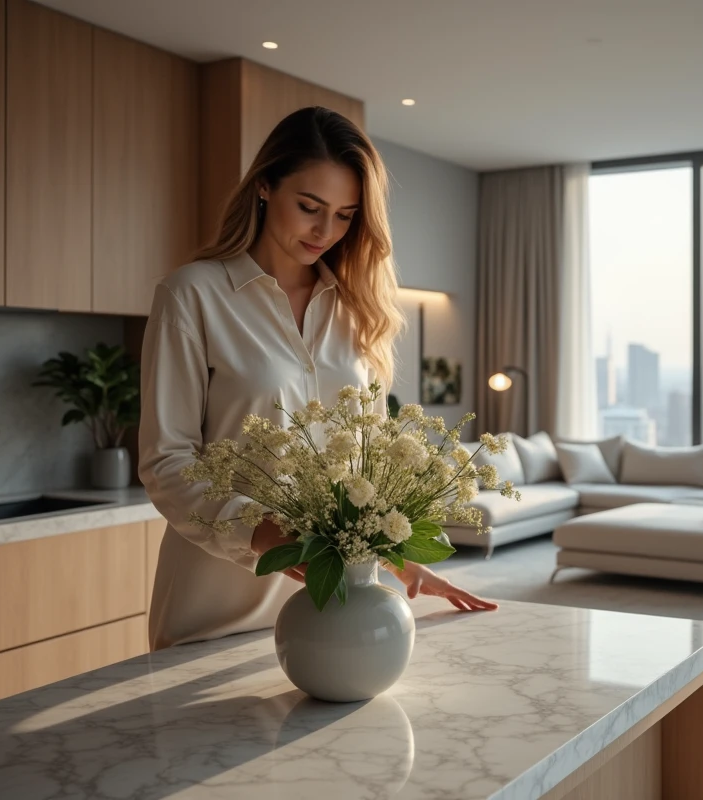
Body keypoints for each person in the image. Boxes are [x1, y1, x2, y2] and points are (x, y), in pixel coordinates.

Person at [139, 107, 495, 651]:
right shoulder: (193, 296)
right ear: (264, 185)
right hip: (217, 612)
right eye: (310, 207)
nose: (325, 232)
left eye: (346, 215)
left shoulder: (358, 312)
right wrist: (265, 536)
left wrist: (402, 563)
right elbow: (168, 461)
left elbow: (367, 465)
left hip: (340, 611)